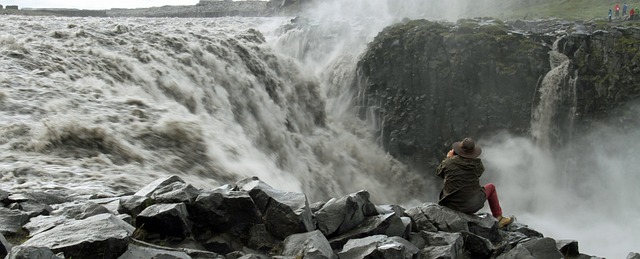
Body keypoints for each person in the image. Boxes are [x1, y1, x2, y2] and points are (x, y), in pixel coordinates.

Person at [436, 138, 514, 228]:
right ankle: (499, 217)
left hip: (450, 205)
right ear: (473, 153)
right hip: (472, 206)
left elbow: (439, 173)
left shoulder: (448, 163)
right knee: (491, 187)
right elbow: (479, 174)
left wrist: (449, 158)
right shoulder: (477, 164)